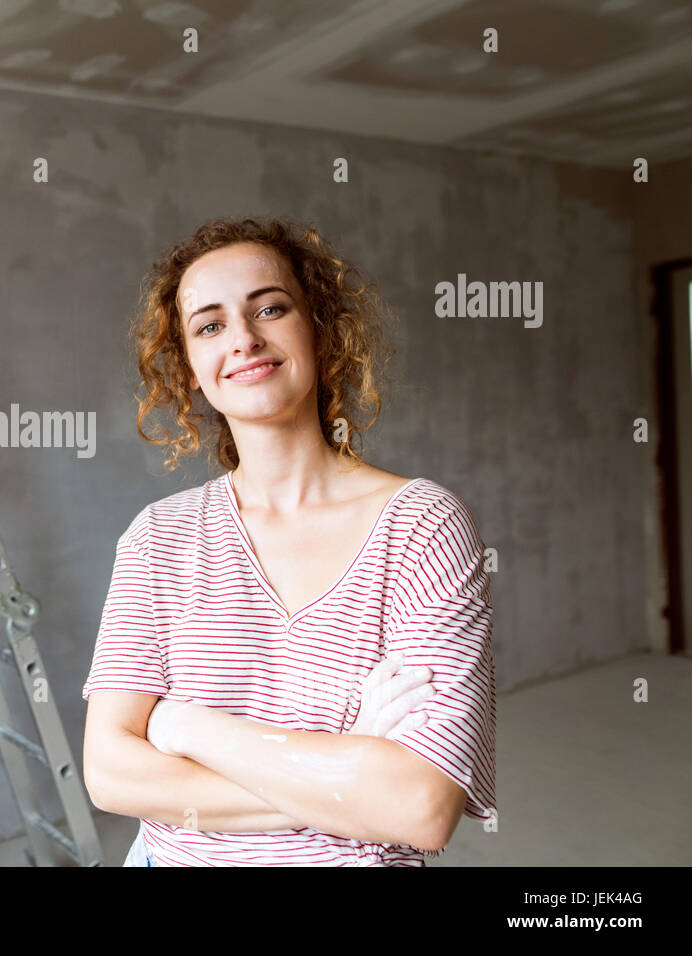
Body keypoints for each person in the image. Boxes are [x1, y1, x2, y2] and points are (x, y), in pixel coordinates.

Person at [81, 216, 496, 866]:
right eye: (210, 325)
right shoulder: (156, 539)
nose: (243, 340)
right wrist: (348, 775)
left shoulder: (422, 525)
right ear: (190, 369)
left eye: (269, 308)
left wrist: (183, 726)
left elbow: (420, 806)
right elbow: (109, 773)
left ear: (319, 329)